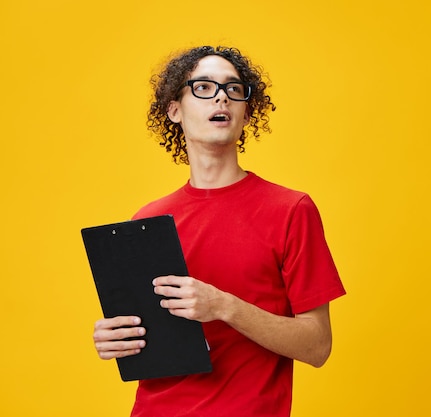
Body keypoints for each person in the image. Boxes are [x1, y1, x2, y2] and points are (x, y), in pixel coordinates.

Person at [92, 45, 346, 417]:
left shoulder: (291, 210)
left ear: (246, 112)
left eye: (233, 88)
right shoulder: (147, 220)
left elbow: (317, 346)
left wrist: (224, 306)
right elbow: (152, 338)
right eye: (204, 88)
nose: (222, 97)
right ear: (174, 110)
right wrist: (118, 337)